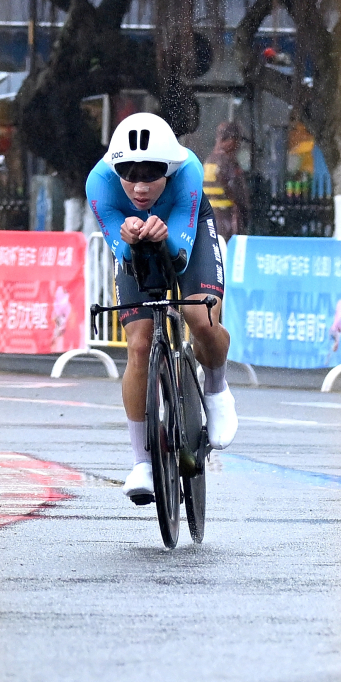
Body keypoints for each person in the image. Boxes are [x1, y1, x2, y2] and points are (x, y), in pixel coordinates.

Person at [86, 112, 238, 504]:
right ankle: (142, 462)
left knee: (200, 318)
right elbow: (123, 254)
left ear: (168, 170)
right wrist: (128, 241)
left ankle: (216, 388)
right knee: (138, 345)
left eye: (151, 175)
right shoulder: (99, 183)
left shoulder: (188, 171)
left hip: (188, 231)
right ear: (115, 169)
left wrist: (165, 237)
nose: (139, 187)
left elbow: (181, 256)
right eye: (129, 174)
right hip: (133, 243)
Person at [203, 120, 251, 239]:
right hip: (227, 226)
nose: (238, 146)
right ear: (230, 140)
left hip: (209, 225)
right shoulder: (229, 163)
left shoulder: (208, 161)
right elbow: (239, 196)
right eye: (237, 141)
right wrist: (244, 216)